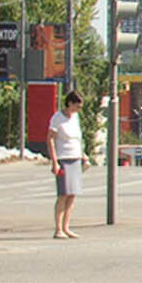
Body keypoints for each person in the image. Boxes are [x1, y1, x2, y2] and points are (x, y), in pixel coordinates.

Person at [49, 98, 85, 238]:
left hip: (75, 156)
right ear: (69, 103)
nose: (78, 110)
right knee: (63, 194)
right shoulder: (57, 118)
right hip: (63, 157)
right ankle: (58, 229)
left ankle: (66, 227)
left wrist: (83, 155)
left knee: (72, 194)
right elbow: (50, 139)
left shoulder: (75, 117)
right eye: (77, 106)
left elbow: (77, 138)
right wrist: (54, 162)